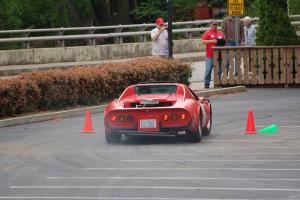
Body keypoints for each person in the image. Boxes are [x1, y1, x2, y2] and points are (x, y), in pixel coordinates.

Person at [202, 21, 225, 89]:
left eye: (216, 25)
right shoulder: (207, 32)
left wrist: (222, 42)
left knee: (219, 70)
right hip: (210, 55)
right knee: (208, 69)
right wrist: (212, 41)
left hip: (219, 55)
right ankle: (206, 83)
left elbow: (224, 41)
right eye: (213, 25)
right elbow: (203, 41)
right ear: (210, 25)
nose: (215, 26)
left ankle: (218, 82)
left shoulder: (220, 33)